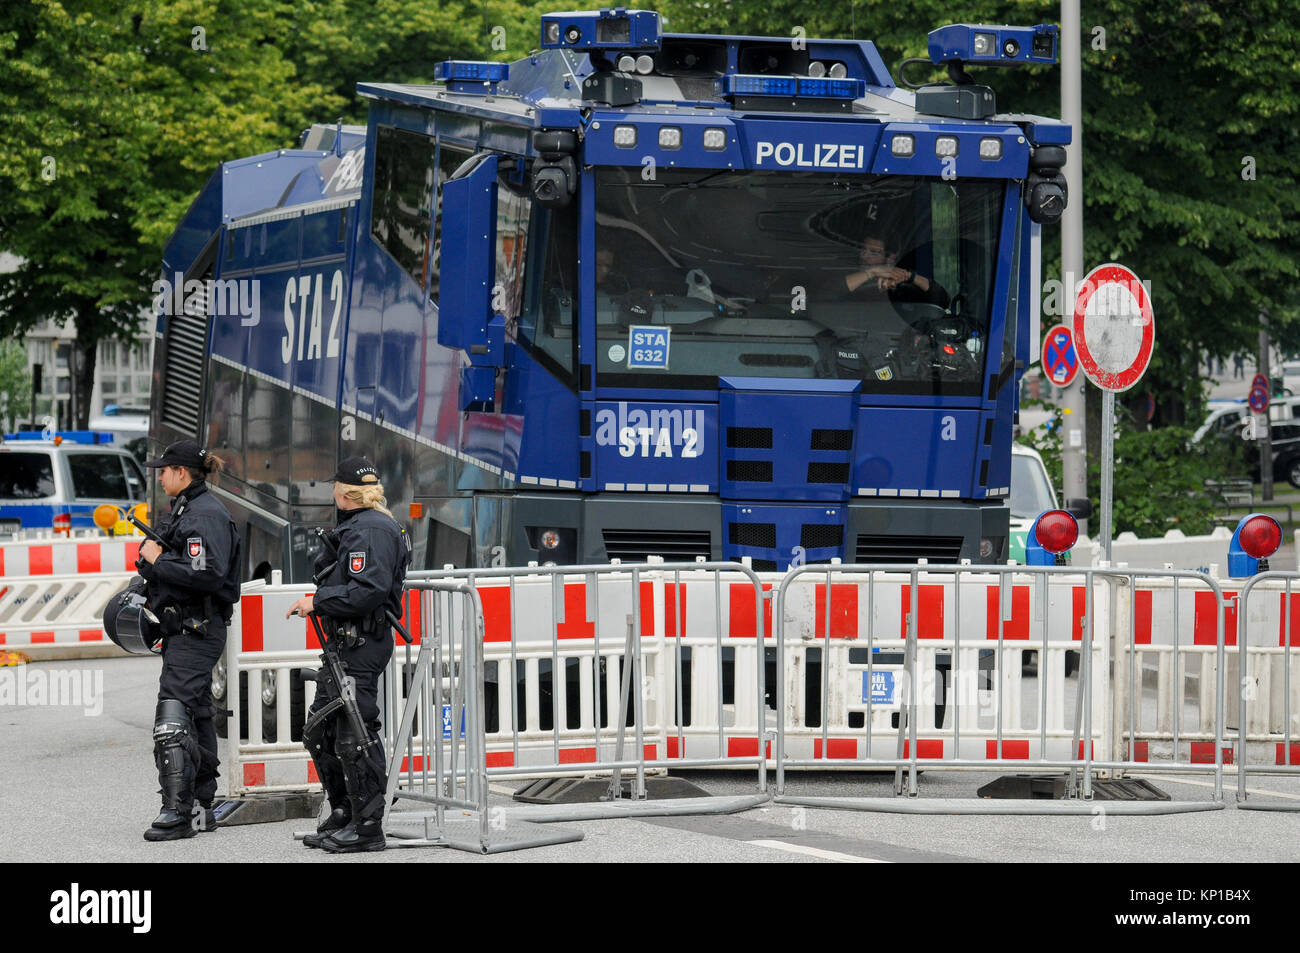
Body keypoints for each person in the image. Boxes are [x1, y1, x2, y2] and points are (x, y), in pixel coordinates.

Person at [286, 456, 411, 853]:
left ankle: (369, 823)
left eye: (333, 488)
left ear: (341, 491)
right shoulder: (358, 525)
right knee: (320, 732)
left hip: (362, 642)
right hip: (347, 644)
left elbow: (367, 590)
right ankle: (345, 812)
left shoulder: (371, 529)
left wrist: (318, 601)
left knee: (354, 733)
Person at [137, 440, 241, 842]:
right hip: (182, 629)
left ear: (182, 473)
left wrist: (158, 559)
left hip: (197, 629)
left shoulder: (205, 515)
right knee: (195, 713)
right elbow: (156, 555)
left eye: (163, 470)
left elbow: (205, 574)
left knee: (173, 715)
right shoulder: (184, 509)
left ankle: (177, 812)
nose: (159, 476)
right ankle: (199, 807)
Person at [844, 235, 949, 308]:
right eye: (862, 250)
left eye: (873, 252)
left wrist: (909, 276)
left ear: (890, 258)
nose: (864, 256)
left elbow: (942, 301)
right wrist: (872, 272)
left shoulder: (903, 285)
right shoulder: (849, 275)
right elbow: (833, 291)